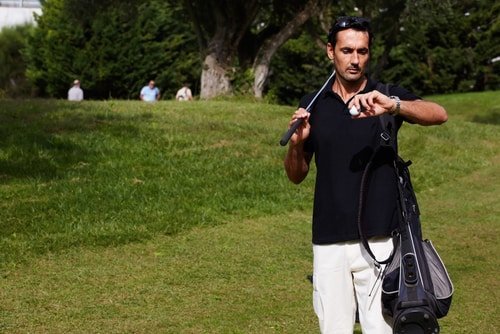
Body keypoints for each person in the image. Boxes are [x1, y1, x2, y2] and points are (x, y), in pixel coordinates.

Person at [283, 16, 448, 334]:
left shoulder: (384, 94)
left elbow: (438, 113)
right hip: (328, 240)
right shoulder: (313, 105)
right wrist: (296, 144)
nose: (355, 60)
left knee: (381, 329)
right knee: (333, 329)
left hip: (381, 239)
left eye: (362, 51)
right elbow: (296, 175)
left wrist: (394, 105)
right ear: (331, 51)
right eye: (347, 51)